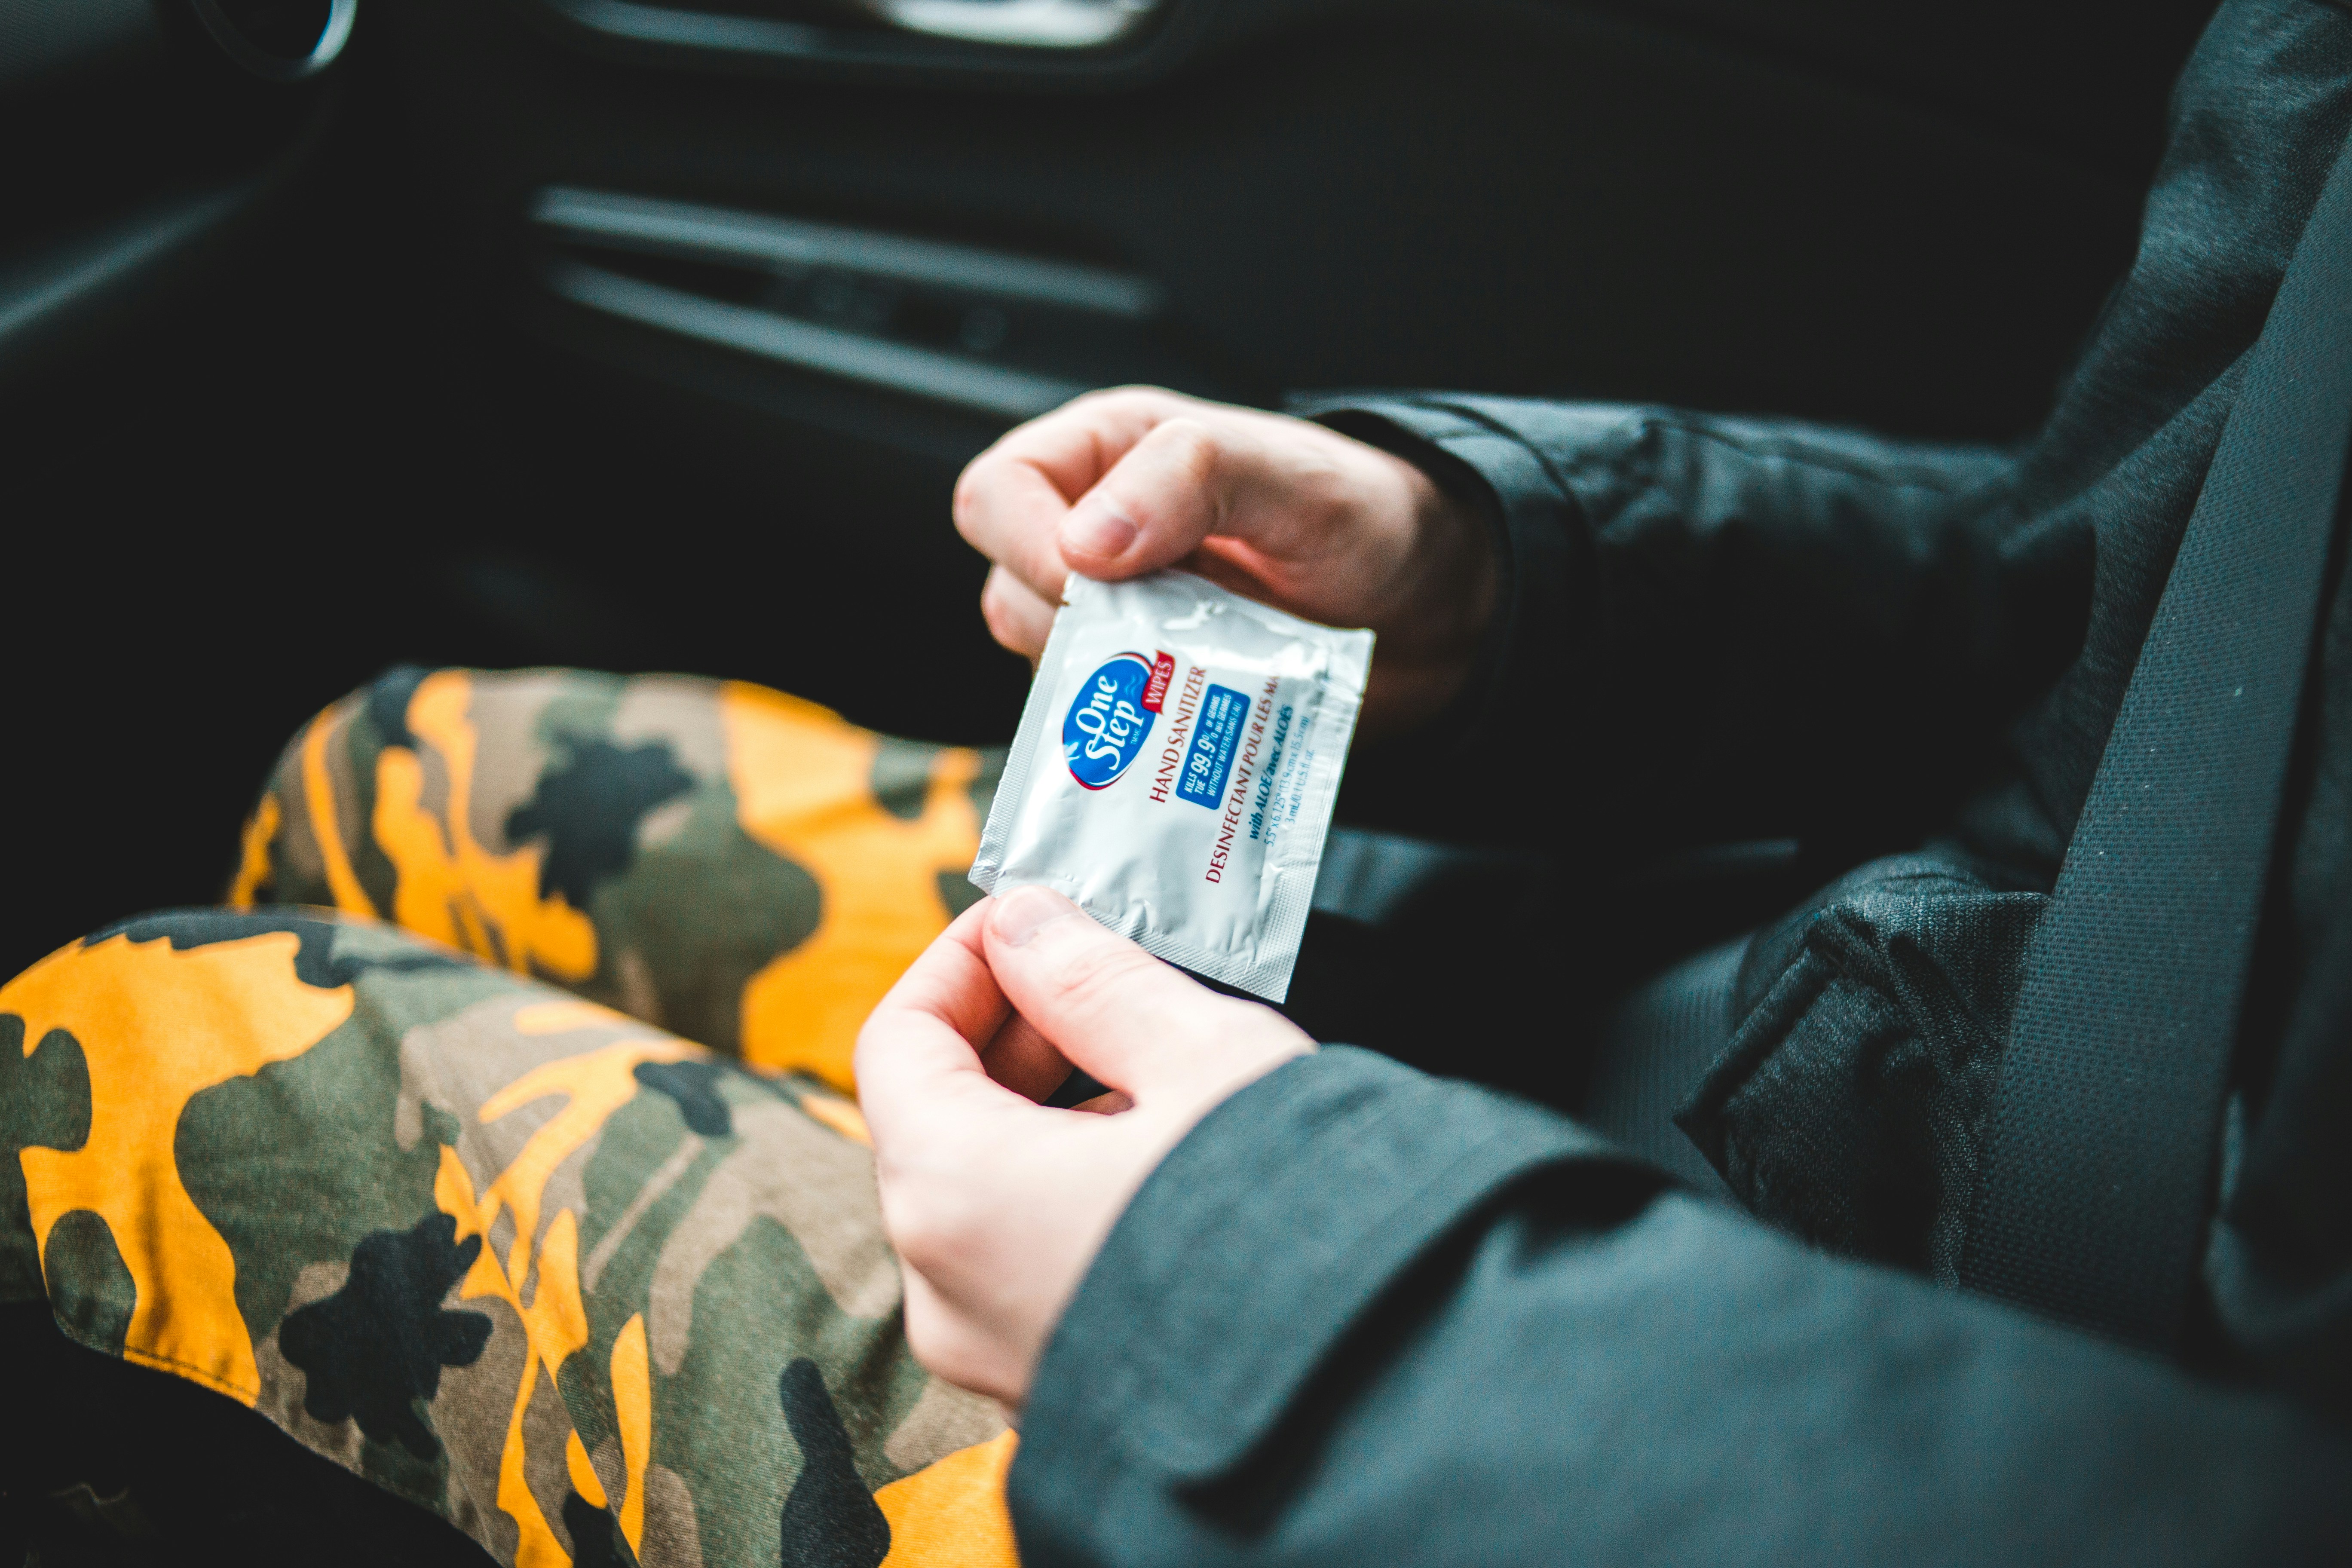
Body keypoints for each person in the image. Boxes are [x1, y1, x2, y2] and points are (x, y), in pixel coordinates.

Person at [3, 0, 2349, 1562]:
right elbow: (2125, 591)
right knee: (390, 763)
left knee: (114, 1052)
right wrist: (1503, 569)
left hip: (1572, 1423)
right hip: (1766, 1030)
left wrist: (1266, 1297)